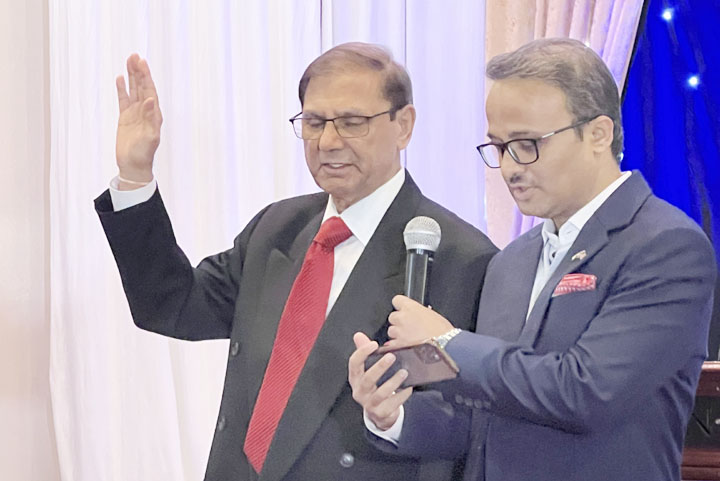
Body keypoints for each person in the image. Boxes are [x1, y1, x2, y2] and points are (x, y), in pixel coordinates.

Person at [94, 42, 497, 481]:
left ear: (404, 125)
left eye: (351, 122)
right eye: (314, 122)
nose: (328, 141)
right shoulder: (278, 228)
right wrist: (135, 176)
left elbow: (469, 427)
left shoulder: (459, 257)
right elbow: (173, 304)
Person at [349, 38, 717, 481]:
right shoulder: (512, 261)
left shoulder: (665, 244)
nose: (509, 167)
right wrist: (393, 414)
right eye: (499, 147)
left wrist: (447, 343)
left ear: (598, 133)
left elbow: (587, 393)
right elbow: (484, 419)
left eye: (526, 144)